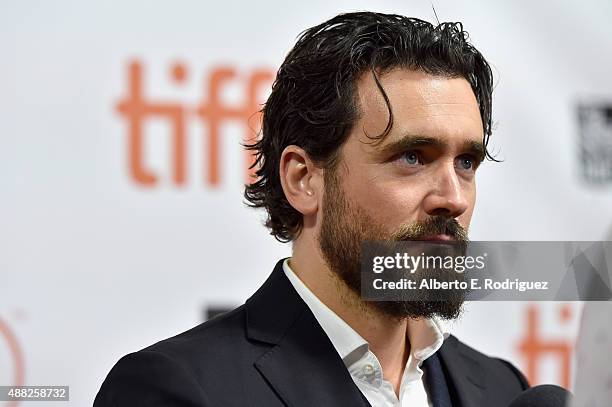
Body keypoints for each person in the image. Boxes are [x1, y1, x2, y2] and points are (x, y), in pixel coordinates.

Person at [94, 11, 529, 406]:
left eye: (466, 163)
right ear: (303, 179)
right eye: (412, 157)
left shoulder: (504, 390)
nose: (453, 198)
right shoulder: (178, 390)